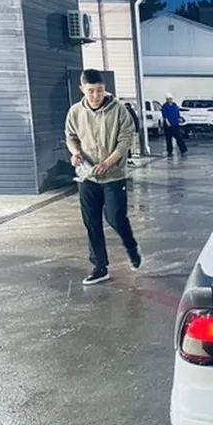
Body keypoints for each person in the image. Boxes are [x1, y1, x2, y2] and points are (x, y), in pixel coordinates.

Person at [65, 69, 142, 286]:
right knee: (91, 222)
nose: (96, 95)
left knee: (115, 218)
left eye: (99, 90)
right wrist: (75, 153)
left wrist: (108, 163)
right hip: (87, 176)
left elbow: (126, 140)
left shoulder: (118, 110)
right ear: (82, 89)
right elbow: (71, 136)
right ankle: (100, 266)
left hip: (113, 176)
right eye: (91, 91)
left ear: (104, 88)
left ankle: (131, 247)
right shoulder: (75, 112)